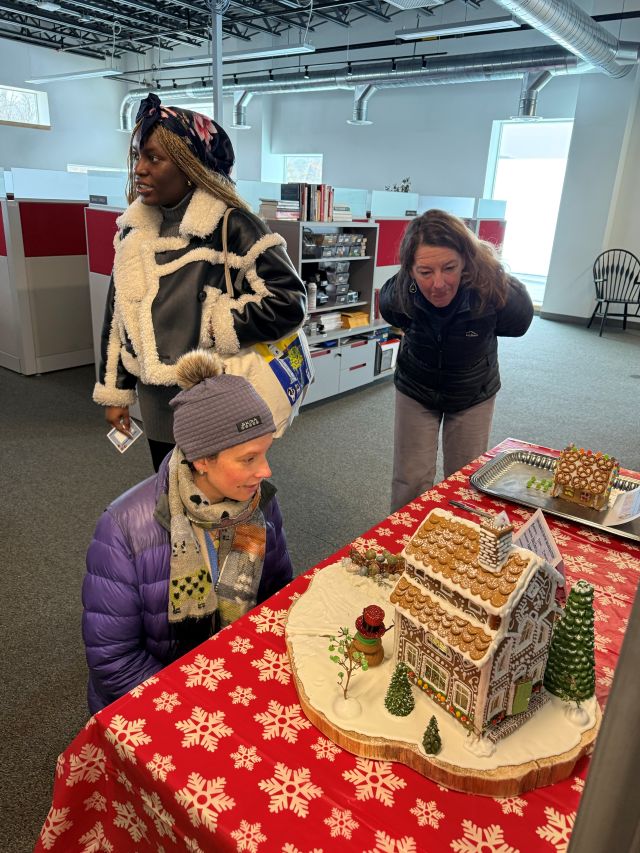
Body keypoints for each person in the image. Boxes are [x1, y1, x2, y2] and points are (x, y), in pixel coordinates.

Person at [94, 92, 306, 471]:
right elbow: (118, 317)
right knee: (168, 492)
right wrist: (117, 391)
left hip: (215, 396)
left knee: (224, 501)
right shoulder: (134, 232)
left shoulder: (232, 225)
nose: (139, 169)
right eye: (137, 157)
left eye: (154, 158)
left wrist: (212, 323)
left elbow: (288, 303)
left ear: (190, 165)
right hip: (157, 402)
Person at [83, 349, 293, 714]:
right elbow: (114, 660)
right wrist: (193, 704)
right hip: (163, 699)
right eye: (249, 458)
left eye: (265, 453)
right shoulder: (124, 529)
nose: (266, 471)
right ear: (202, 460)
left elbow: (278, 596)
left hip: (237, 674)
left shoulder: (258, 502)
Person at [379, 209, 534, 512]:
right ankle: (403, 548)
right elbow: (393, 314)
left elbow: (518, 324)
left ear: (466, 259)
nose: (438, 283)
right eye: (425, 272)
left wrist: (493, 288)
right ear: (410, 269)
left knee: (465, 480)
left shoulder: (494, 287)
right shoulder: (398, 295)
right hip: (416, 388)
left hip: (472, 391)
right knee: (410, 480)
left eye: (449, 268)